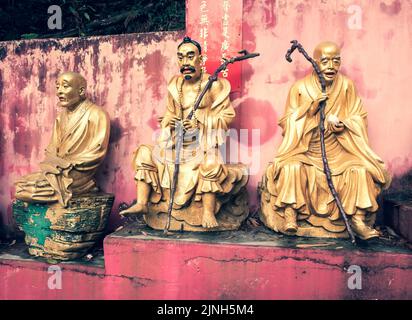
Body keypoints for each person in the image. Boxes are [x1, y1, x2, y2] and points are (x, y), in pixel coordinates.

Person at [261, 41, 391, 240]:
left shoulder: (346, 86)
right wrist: (309, 111)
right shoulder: (300, 87)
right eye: (325, 61)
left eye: (336, 61)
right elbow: (288, 123)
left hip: (340, 150)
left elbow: (359, 117)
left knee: (360, 170)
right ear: (314, 62)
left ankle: (357, 220)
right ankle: (290, 215)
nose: (331, 66)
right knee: (290, 167)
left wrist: (344, 124)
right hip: (306, 149)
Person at [120, 36, 247, 229]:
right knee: (145, 152)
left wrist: (201, 122)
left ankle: (207, 212)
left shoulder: (213, 85)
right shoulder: (175, 86)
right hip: (176, 144)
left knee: (211, 164)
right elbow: (170, 113)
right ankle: (142, 203)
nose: (185, 62)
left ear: (200, 59)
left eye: (190, 56)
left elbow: (227, 116)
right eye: (181, 58)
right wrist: (169, 122)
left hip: (202, 146)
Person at [15, 72, 110, 207]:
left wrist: (68, 165)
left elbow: (97, 150)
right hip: (57, 169)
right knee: (22, 186)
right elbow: (52, 149)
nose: (59, 91)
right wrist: (54, 164)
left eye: (65, 86)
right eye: (58, 87)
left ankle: (85, 186)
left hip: (77, 171)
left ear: (81, 90)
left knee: (33, 191)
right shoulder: (61, 118)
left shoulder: (97, 114)